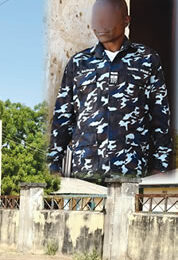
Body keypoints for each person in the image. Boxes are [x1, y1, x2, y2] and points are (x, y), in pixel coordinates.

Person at [48, 0, 172, 182]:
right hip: (85, 173)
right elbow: (62, 118)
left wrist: (160, 167)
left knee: (128, 212)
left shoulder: (147, 60)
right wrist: (53, 165)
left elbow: (160, 117)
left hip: (131, 173)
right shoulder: (78, 63)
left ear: (126, 20)